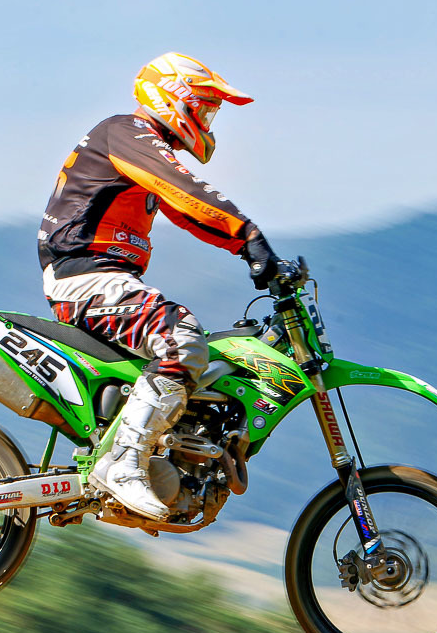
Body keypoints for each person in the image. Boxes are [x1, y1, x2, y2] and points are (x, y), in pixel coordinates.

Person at [37, 52, 287, 519]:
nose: (207, 121)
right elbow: (184, 191)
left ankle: (158, 454)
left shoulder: (139, 145)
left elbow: (191, 214)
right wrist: (249, 236)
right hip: (86, 275)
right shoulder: (126, 132)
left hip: (98, 276)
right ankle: (124, 464)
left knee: (192, 348)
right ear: (173, 96)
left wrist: (248, 251)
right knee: (181, 338)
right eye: (204, 107)